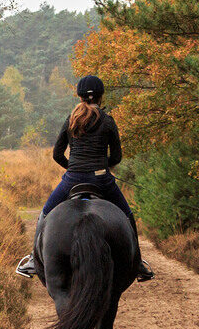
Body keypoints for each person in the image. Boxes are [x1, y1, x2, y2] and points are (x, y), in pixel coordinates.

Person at [15, 74, 155, 281]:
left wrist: (73, 167)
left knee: (44, 214)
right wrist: (101, 168)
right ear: (101, 97)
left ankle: (34, 261)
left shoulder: (71, 119)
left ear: (80, 97)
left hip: (72, 179)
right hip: (101, 180)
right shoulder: (107, 121)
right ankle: (138, 263)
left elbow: (57, 154)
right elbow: (116, 156)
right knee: (127, 215)